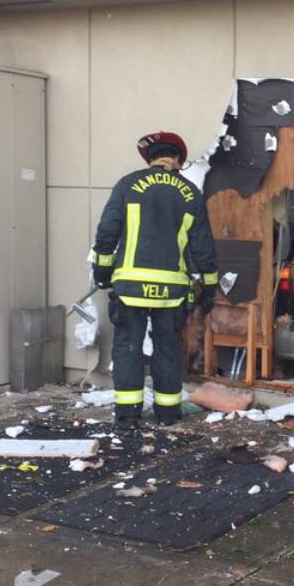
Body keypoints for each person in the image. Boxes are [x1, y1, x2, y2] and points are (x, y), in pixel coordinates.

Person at [91, 132, 219, 429]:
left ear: (150, 158)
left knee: (128, 348)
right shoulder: (190, 193)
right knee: (167, 348)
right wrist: (209, 287)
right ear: (177, 160)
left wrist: (101, 272)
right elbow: (203, 247)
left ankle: (127, 416)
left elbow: (107, 234)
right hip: (171, 291)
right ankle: (167, 414)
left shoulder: (128, 185)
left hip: (130, 287)